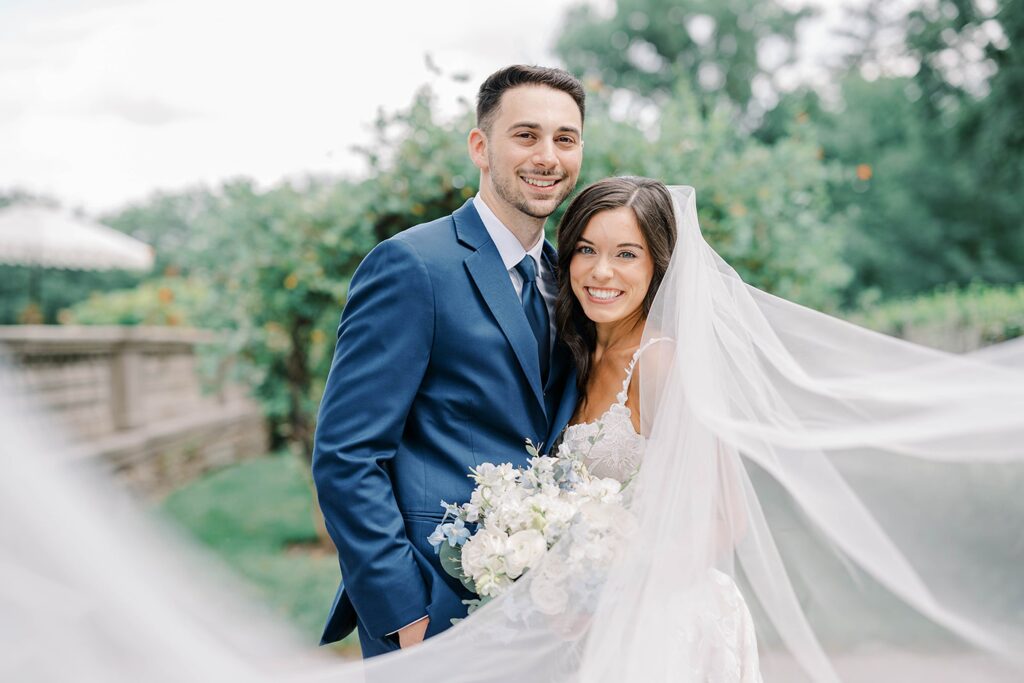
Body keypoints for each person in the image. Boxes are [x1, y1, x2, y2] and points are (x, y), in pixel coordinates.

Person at [310, 64, 585, 658]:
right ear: (480, 147)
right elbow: (346, 454)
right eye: (526, 135)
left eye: (565, 138)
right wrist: (405, 612)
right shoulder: (412, 265)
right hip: (432, 611)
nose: (548, 155)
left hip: (545, 616)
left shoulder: (574, 281)